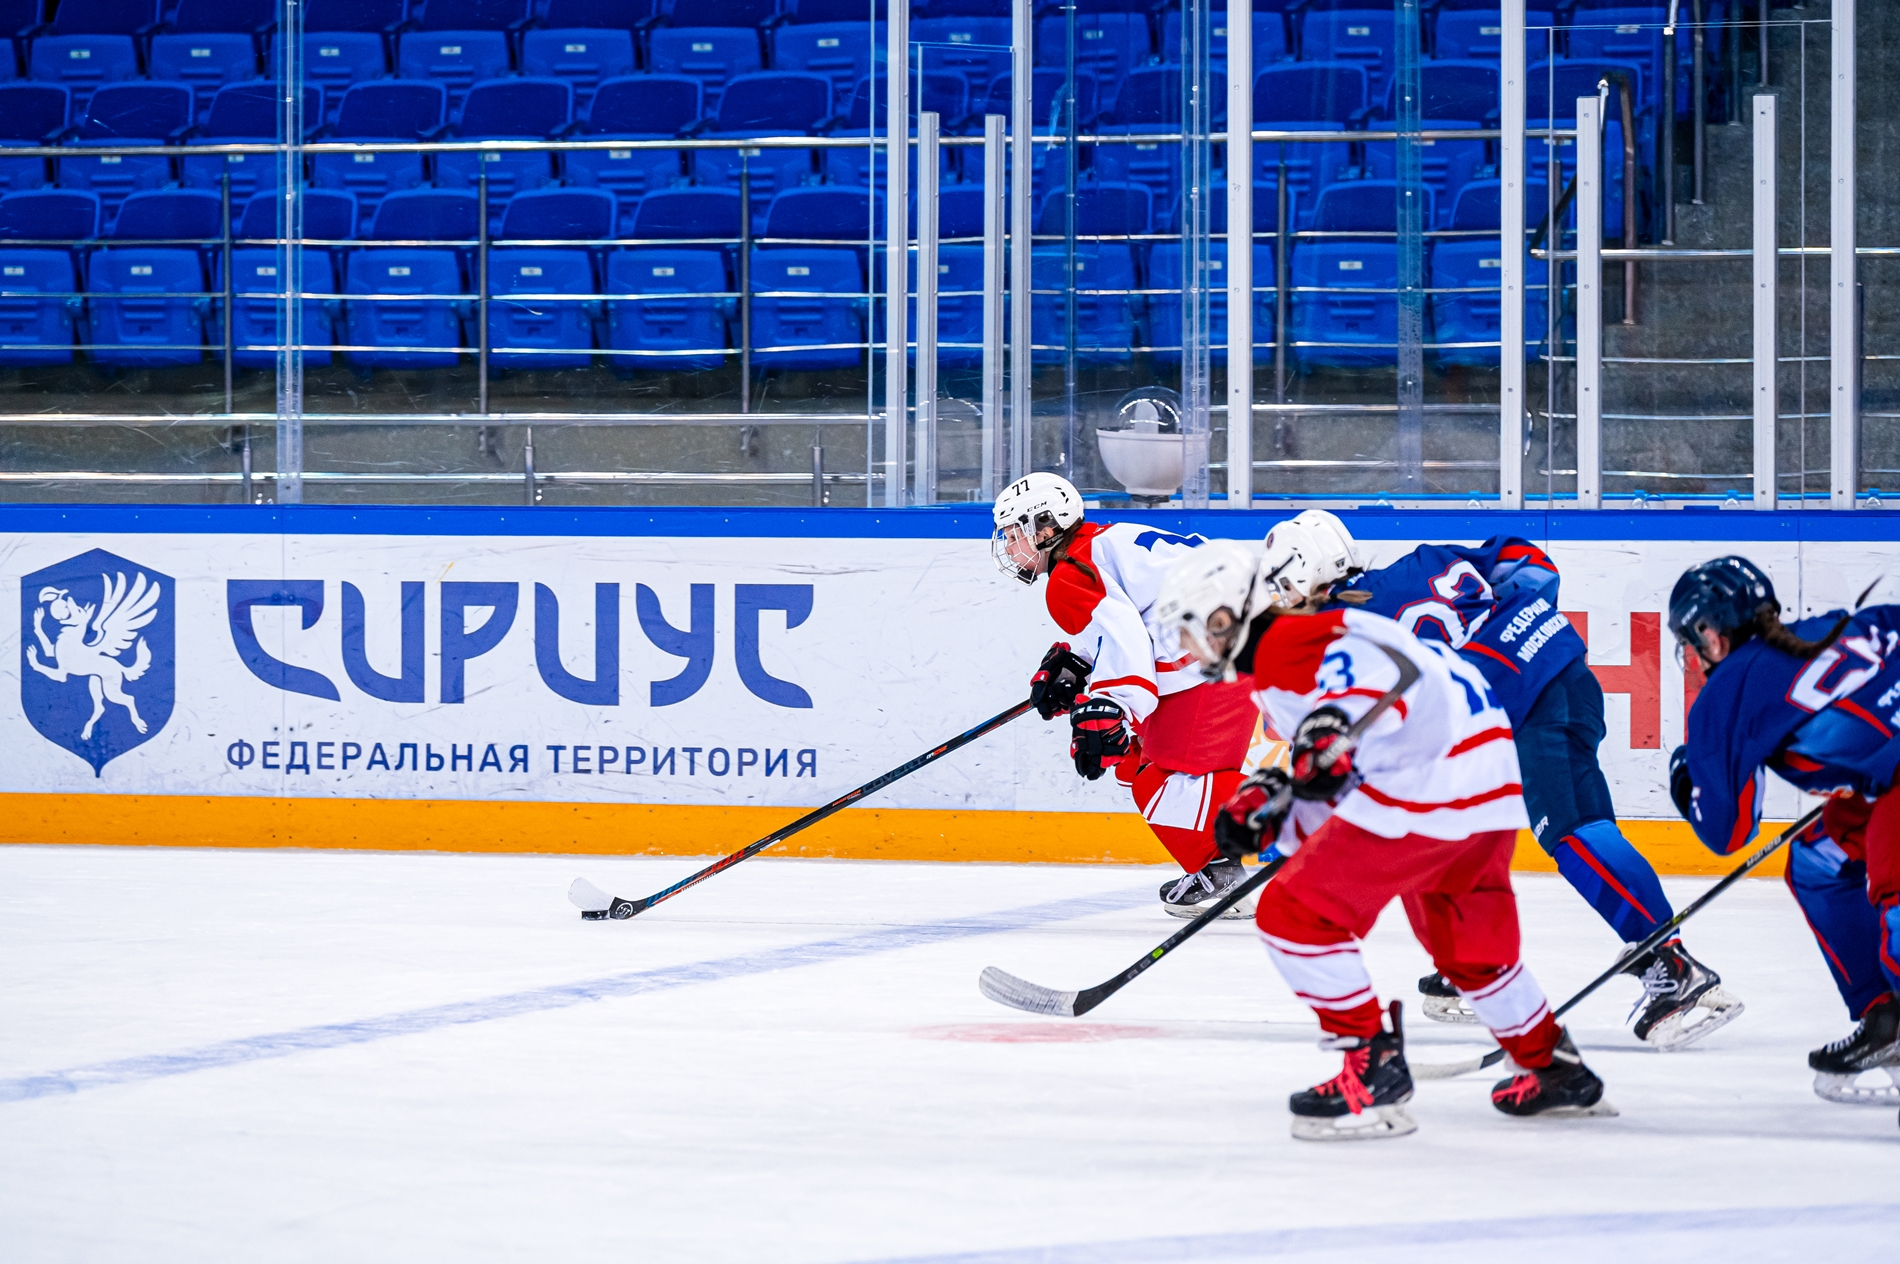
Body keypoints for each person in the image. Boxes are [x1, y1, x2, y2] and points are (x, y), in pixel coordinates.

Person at [1154, 540, 1613, 1140]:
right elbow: (1337, 769)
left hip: (1431, 785)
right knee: (1467, 944)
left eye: (1192, 632)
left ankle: (1372, 1066)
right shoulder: (1301, 653)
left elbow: (1373, 693)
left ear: (1224, 620)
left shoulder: (1293, 645)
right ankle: (1552, 1065)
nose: (1189, 650)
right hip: (1484, 784)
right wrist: (1279, 812)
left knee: (1295, 916)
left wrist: (1328, 737)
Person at [1265, 509, 1740, 1051]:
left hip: (1524, 706)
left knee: (1573, 830)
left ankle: (1668, 960)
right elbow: (1530, 561)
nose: (1284, 601)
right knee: (1451, 824)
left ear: (1303, 576)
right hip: (1556, 675)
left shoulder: (1345, 639)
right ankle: (1471, 960)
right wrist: (1519, 640)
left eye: (1283, 587)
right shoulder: (1425, 560)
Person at [1666, 556, 1900, 1106]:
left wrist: (1685, 780)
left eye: (1691, 641)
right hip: (1886, 780)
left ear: (1711, 635)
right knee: (1816, 862)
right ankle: (1884, 1018)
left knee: (1895, 887)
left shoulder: (1724, 698)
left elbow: (1726, 832)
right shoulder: (1838, 624)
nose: (1694, 658)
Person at [990, 473, 1267, 918]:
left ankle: (1291, 826)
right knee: (1142, 760)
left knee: (1152, 776)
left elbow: (1128, 643)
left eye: (1014, 533)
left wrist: (1110, 704)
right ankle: (1221, 867)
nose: (1008, 546)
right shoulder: (1100, 542)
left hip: (1211, 663)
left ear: (1045, 528)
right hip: (1234, 648)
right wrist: (1078, 661)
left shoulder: (1068, 577)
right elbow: (1128, 619)